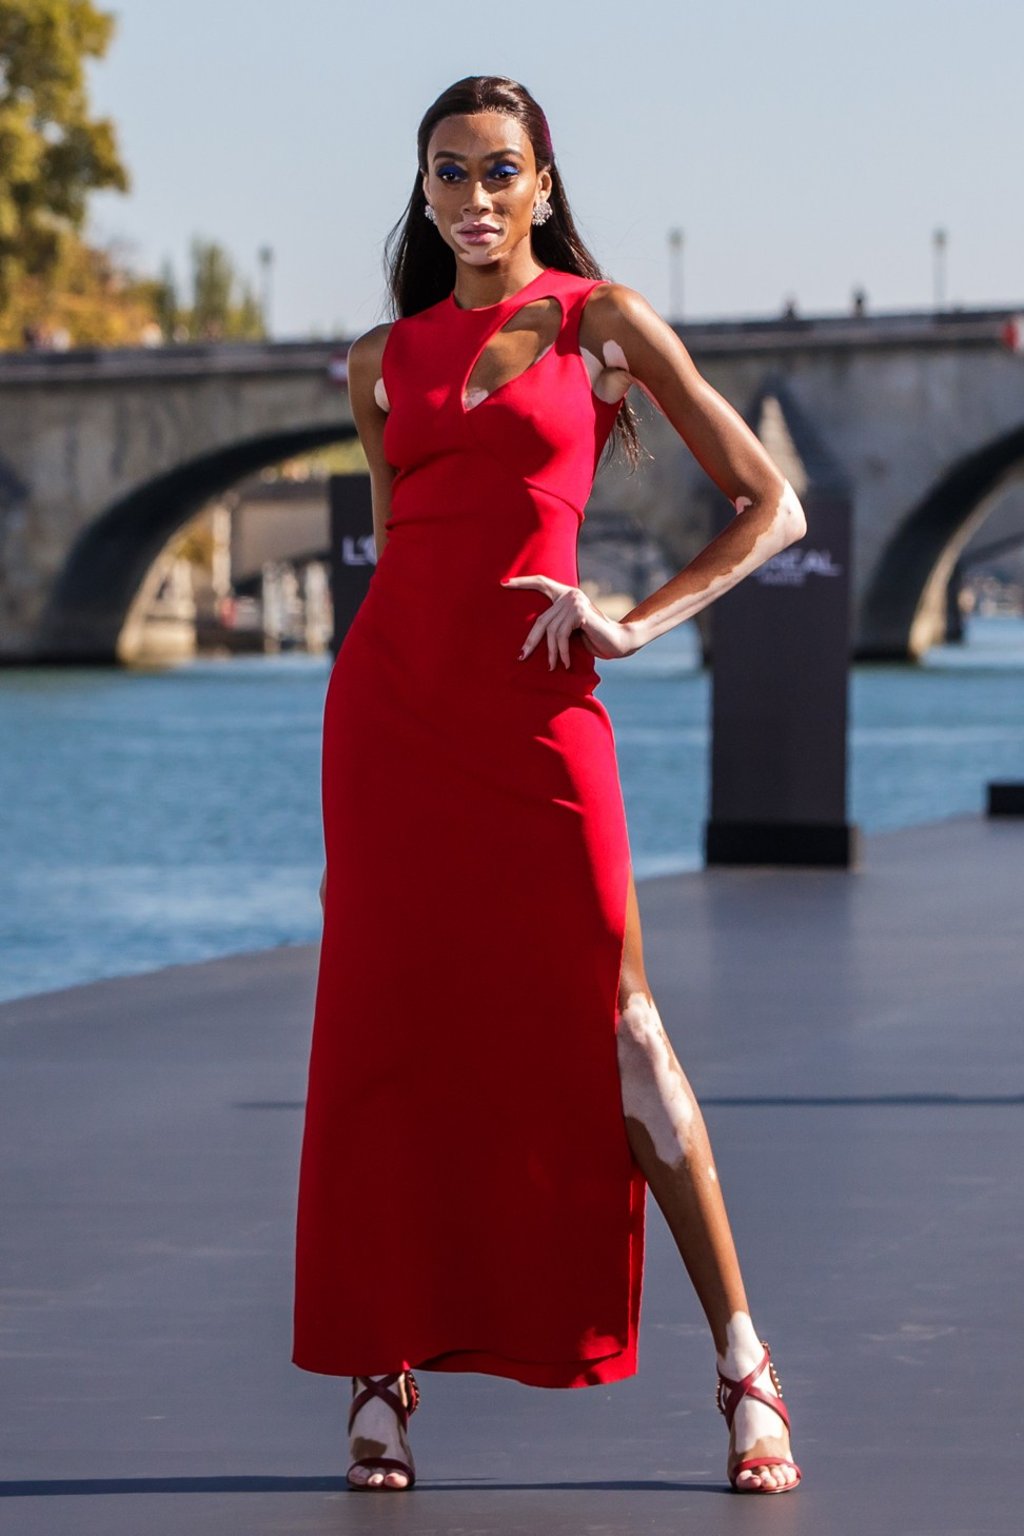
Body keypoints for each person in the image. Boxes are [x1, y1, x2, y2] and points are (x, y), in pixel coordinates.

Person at [293, 74, 806, 1497]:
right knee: (383, 1036)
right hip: (393, 727)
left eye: (496, 171)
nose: (470, 198)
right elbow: (407, 558)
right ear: (426, 192)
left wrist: (630, 617)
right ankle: (378, 1370)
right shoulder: (378, 361)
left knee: (623, 1033)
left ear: (542, 182)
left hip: (542, 725)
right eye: (445, 175)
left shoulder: (605, 323)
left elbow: (776, 503)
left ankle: (744, 1365)